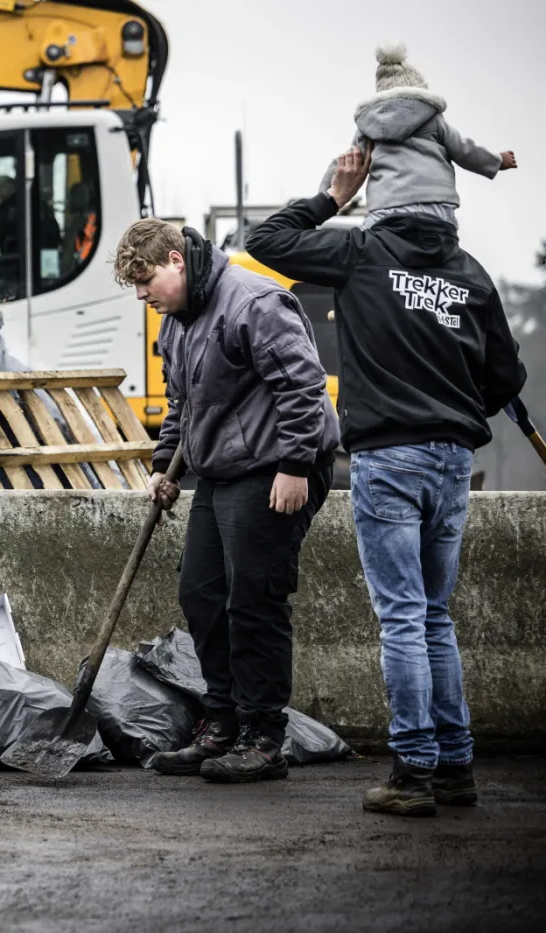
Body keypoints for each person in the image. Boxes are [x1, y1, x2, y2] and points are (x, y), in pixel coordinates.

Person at [247, 147, 527, 816]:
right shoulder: (471, 273)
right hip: (453, 458)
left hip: (388, 456)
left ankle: (411, 772)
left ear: (384, 197)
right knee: (434, 612)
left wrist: (333, 198)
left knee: (402, 614)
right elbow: (505, 378)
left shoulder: (362, 252)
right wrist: (452, 409)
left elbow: (266, 242)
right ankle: (455, 766)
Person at [112, 219, 340, 783]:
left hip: (273, 469)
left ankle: (263, 739)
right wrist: (165, 468)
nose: (143, 296)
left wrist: (294, 467)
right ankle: (222, 725)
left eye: (146, 281)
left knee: (254, 601)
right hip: (219, 471)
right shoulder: (180, 321)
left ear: (176, 260)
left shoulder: (254, 303)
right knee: (201, 593)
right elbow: (181, 403)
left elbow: (305, 388)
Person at [317, 41, 515, 230]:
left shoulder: (369, 128)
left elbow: (346, 163)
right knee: (442, 238)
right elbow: (464, 149)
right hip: (436, 205)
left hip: (386, 207)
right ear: (420, 92)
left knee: (368, 241)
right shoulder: (433, 119)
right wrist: (497, 161)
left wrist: (321, 200)